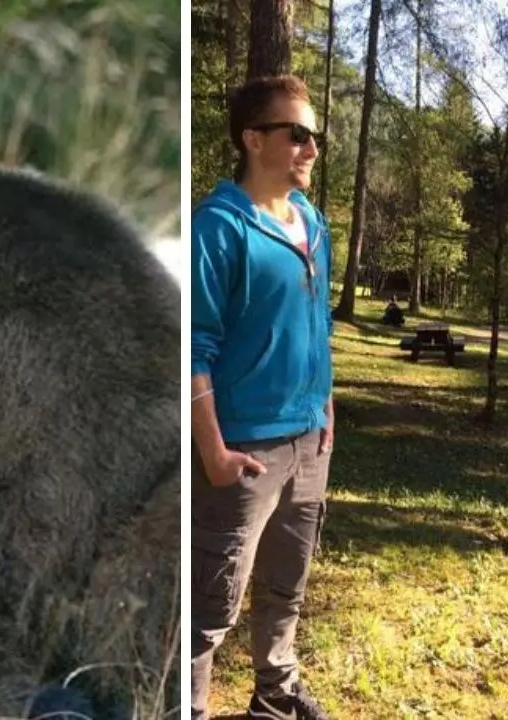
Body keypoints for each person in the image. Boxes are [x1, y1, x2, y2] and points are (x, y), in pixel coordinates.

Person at [189, 74, 335, 720]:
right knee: (209, 606)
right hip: (244, 454)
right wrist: (214, 451)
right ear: (253, 140)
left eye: (315, 137)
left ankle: (274, 696)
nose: (310, 148)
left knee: (285, 586)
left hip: (310, 445)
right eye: (296, 134)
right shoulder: (218, 230)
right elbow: (193, 347)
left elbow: (318, 325)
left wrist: (324, 409)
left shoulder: (312, 221)